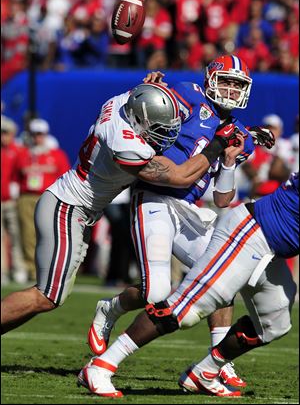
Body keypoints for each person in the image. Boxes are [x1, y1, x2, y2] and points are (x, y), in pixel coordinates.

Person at [86, 56, 275, 387]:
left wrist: (230, 161)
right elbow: (151, 106)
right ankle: (111, 309)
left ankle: (216, 363)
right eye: (227, 81)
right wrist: (149, 88)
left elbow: (222, 199)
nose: (231, 90)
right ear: (211, 79)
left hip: (190, 211)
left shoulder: (238, 133)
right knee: (157, 291)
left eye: (238, 84)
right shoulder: (189, 94)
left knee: (223, 275)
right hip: (154, 199)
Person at [1, 81, 242, 334]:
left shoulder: (121, 103)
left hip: (78, 207)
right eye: (159, 128)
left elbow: (145, 93)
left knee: (52, 298)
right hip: (68, 207)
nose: (167, 134)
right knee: (47, 295)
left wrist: (152, 83)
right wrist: (216, 145)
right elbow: (181, 176)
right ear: (139, 121)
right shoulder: (126, 144)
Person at [78, 172, 298, 398]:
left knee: (274, 323)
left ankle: (205, 373)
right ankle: (101, 366)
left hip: (272, 249)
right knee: (186, 308)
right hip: (251, 232)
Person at [15, 118, 71, 280]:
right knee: (27, 234)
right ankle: (30, 268)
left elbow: (65, 177)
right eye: (34, 134)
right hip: (26, 197)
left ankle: (48, 268)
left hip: (47, 197)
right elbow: (15, 175)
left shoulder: (56, 154)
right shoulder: (24, 153)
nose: (37, 138)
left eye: (40, 134)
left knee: (48, 233)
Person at [1, 115, 27, 284]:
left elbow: (23, 173)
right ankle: (2, 271)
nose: (3, 136)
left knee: (17, 235)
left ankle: (19, 268)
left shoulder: (18, 150)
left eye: (5, 132)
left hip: (11, 200)